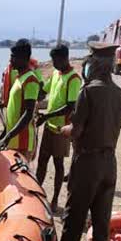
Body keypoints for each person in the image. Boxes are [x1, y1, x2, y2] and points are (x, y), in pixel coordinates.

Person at [53, 42, 121, 241]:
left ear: (93, 64)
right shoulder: (119, 94)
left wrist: (64, 130)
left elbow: (77, 130)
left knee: (74, 217)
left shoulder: (89, 92)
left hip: (87, 162)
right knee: (101, 221)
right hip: (110, 163)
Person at [35, 44, 82, 211]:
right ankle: (37, 195)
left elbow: (70, 106)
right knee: (41, 162)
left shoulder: (73, 79)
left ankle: (55, 199)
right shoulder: (56, 73)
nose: (53, 64)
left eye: (56, 60)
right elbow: (44, 91)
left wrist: (47, 115)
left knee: (58, 163)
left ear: (64, 58)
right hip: (49, 127)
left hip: (61, 130)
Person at [5, 39, 40, 161]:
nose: (10, 60)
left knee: (20, 177)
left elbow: (28, 113)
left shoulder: (30, 80)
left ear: (23, 58)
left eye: (13, 57)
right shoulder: (19, 79)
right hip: (14, 139)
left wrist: (9, 135)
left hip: (22, 141)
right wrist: (5, 133)